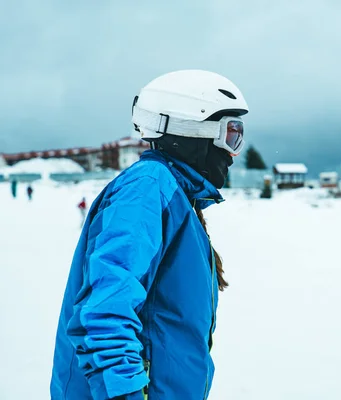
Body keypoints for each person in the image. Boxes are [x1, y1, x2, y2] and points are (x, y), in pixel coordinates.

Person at [50, 69, 249, 400]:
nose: (233, 152)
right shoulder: (147, 189)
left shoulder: (175, 196)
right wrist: (123, 393)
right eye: (230, 134)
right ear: (192, 128)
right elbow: (105, 312)